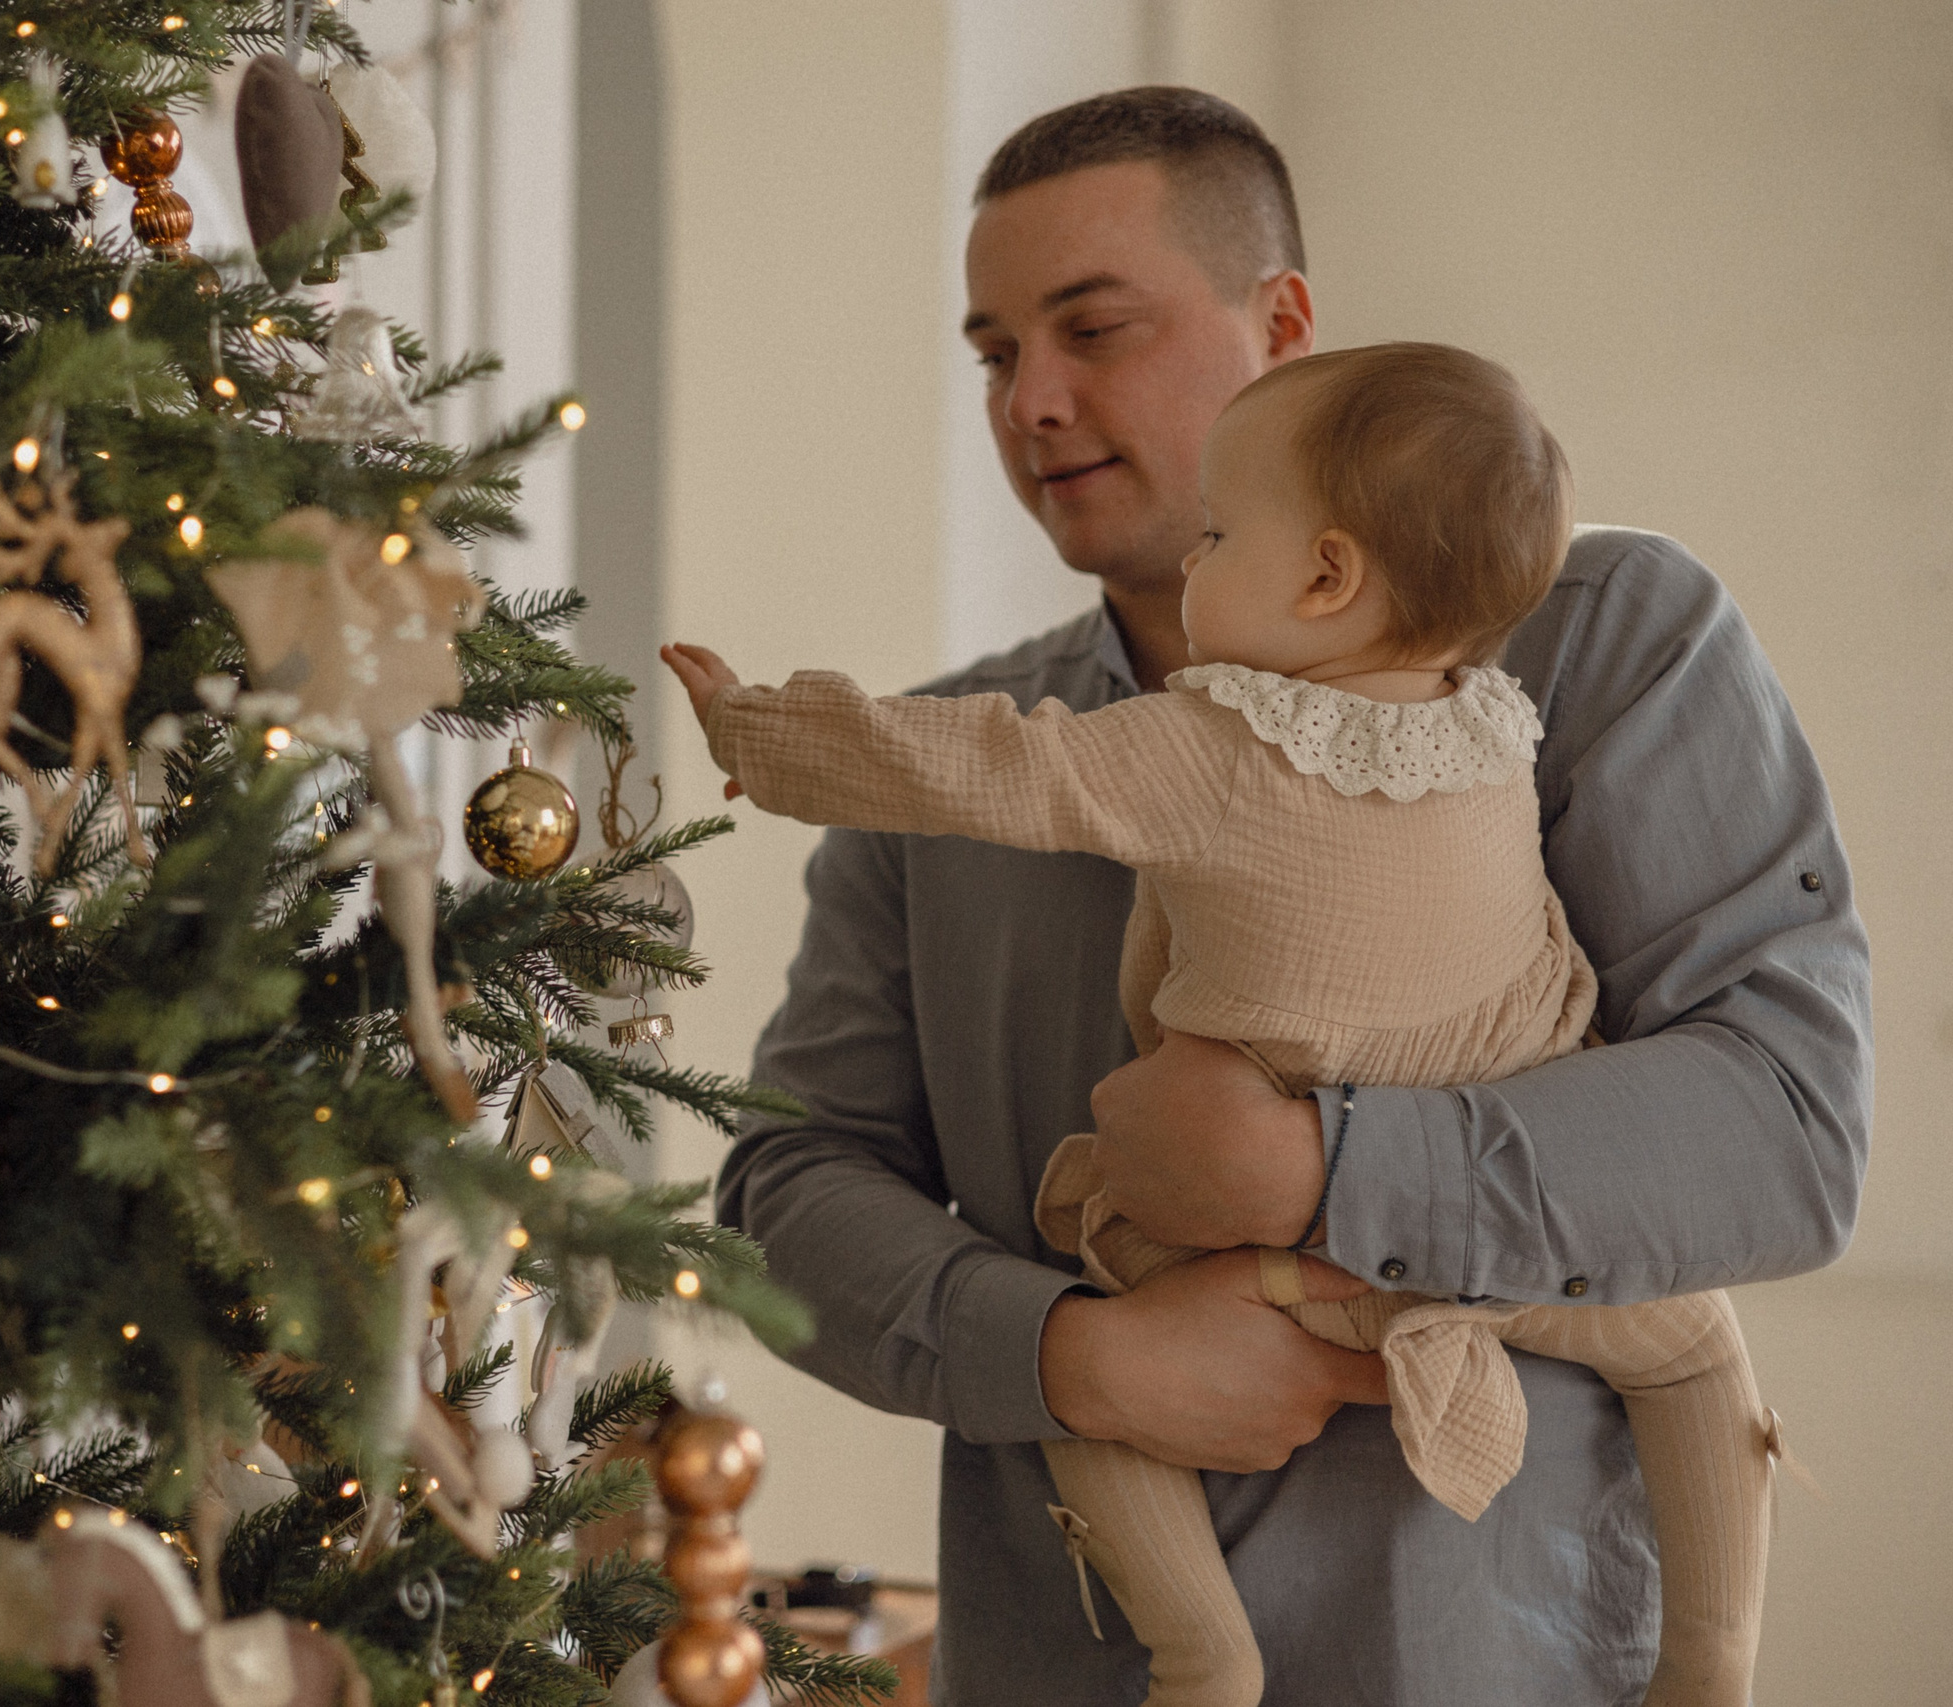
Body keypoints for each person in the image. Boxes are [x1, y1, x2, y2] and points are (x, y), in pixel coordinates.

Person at [709, 88, 1869, 1706]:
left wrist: (1322, 1167)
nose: (1031, 401)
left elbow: (1785, 1130)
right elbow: (785, 1188)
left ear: (1282, 326)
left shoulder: (1610, 636)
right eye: (993, 354)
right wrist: (1073, 1356)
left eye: (1092, 329)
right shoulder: (944, 769)